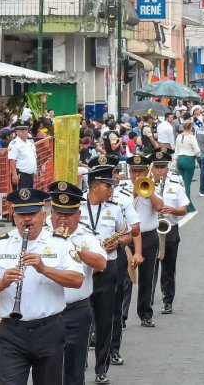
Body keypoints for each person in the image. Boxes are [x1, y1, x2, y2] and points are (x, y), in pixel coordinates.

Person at [0, 188, 85, 384]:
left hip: (49, 330)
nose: (27, 220)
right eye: (22, 214)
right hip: (12, 332)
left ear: (43, 215)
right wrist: (2, 282)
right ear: (14, 216)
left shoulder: (61, 244)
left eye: (32, 214)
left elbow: (77, 280)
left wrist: (44, 269)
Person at [47, 181, 108, 385]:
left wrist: (72, 248)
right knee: (48, 369)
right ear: (51, 212)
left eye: (69, 214)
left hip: (76, 311)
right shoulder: (41, 235)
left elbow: (101, 263)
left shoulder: (86, 235)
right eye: (58, 213)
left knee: (74, 369)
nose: (63, 219)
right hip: (46, 312)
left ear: (78, 215)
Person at [82, 160, 136, 383]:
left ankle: (101, 368)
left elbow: (128, 233)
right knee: (82, 319)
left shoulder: (115, 207)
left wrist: (119, 243)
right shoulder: (76, 207)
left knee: (105, 321)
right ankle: (79, 359)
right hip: (83, 270)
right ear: (95, 186)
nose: (112, 188)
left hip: (108, 269)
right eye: (108, 185)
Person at [118, 154, 164, 328]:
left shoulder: (151, 187)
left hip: (148, 237)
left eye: (140, 171)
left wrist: (148, 192)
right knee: (125, 278)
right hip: (128, 237)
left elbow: (159, 207)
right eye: (134, 171)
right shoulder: (121, 188)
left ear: (146, 171)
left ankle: (145, 313)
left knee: (147, 277)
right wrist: (134, 193)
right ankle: (121, 316)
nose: (136, 175)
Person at [150, 153, 189, 314]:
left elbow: (184, 209)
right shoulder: (146, 186)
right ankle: (148, 300)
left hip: (169, 228)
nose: (159, 171)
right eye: (156, 167)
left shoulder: (176, 185)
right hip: (151, 231)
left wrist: (171, 209)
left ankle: (167, 300)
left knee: (168, 268)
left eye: (162, 168)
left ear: (167, 169)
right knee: (150, 269)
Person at [173, 121, 199, 212]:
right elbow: (197, 150)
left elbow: (176, 150)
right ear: (190, 128)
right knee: (187, 184)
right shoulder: (191, 137)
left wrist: (174, 162)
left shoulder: (179, 137)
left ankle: (180, 204)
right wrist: (194, 154)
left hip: (180, 159)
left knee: (181, 183)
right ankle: (188, 206)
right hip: (189, 160)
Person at [8, 123, 38, 189]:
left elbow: (34, 157)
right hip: (21, 175)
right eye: (21, 130)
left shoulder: (30, 143)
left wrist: (35, 171)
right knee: (21, 196)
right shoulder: (14, 143)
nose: (24, 132)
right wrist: (14, 174)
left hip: (30, 175)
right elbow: (12, 160)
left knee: (29, 195)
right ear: (16, 132)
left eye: (25, 130)